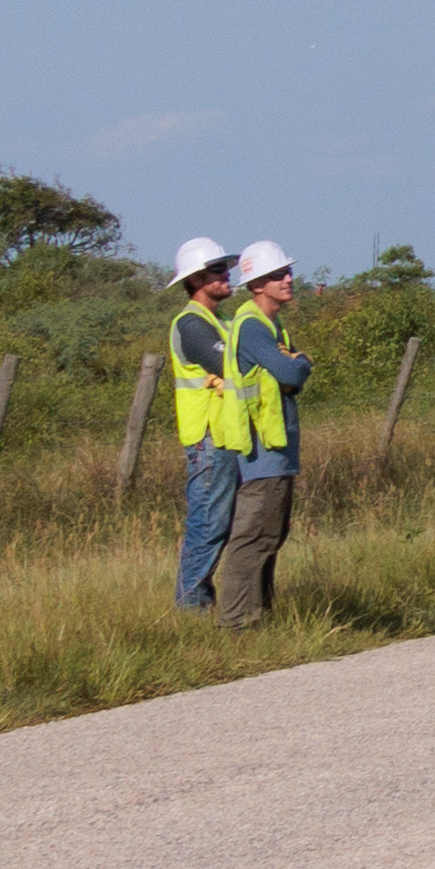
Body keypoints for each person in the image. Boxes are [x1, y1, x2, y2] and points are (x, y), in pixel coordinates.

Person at [213, 241, 311, 630]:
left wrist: (293, 367)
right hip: (261, 450)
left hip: (276, 448)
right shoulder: (253, 327)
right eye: (276, 275)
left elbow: (287, 379)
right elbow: (290, 373)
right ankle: (238, 624)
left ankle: (260, 617)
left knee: (270, 537)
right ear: (255, 284)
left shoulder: (271, 325)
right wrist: (300, 361)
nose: (287, 279)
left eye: (287, 272)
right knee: (253, 539)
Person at [163, 235, 241, 613]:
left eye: (225, 267)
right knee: (209, 525)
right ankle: (192, 607)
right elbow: (237, 366)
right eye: (216, 269)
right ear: (195, 279)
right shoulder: (192, 324)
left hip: (230, 435)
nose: (227, 274)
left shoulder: (222, 319)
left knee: (223, 525)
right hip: (208, 439)